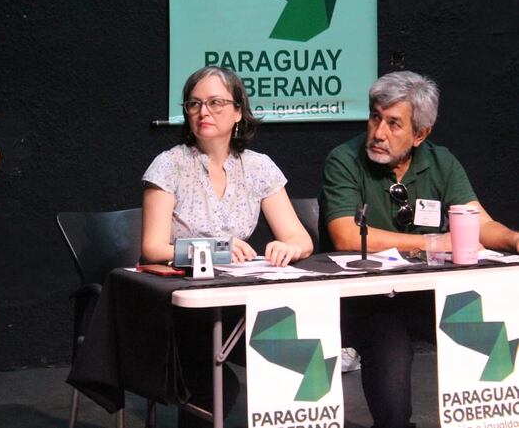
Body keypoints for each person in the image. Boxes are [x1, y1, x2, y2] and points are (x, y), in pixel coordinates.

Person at [320, 70, 519, 428]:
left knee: (502, 325)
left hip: (431, 297)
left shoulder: (441, 161)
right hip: (368, 302)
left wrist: (514, 239)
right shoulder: (344, 159)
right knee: (389, 347)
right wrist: (430, 243)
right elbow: (347, 236)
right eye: (375, 117)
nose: (379, 133)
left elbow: (480, 223)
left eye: (394, 124)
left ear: (420, 134)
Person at [141, 65, 313, 427]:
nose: (204, 112)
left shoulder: (258, 167)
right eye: (194, 104)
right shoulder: (169, 165)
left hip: (239, 299)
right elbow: (153, 249)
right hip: (183, 305)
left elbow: (300, 239)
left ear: (238, 111)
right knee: (218, 386)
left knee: (303, 357)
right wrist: (215, 247)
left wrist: (288, 248)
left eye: (217, 102)